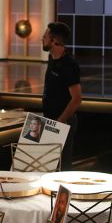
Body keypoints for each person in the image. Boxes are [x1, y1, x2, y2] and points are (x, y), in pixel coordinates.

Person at [41, 22, 81, 169]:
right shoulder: (52, 59)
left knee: (62, 167)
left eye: (45, 36)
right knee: (45, 166)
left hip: (62, 123)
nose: (42, 38)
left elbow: (76, 99)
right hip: (50, 120)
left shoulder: (69, 65)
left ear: (54, 41)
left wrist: (59, 122)